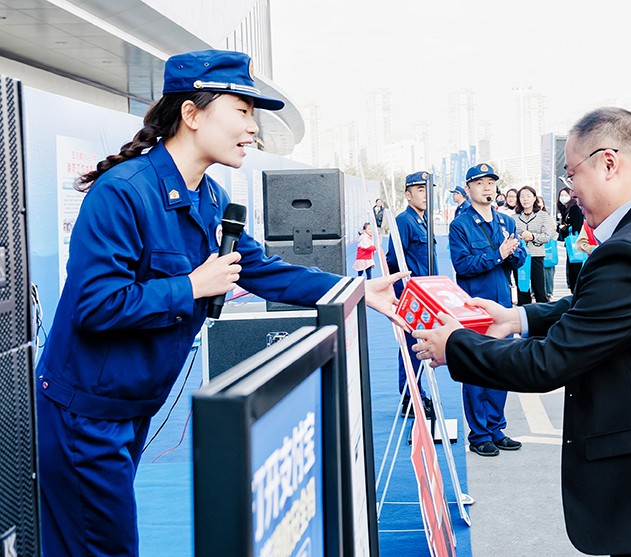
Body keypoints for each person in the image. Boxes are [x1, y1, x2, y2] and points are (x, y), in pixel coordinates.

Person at [34, 49, 407, 557]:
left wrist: (356, 290)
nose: (254, 129)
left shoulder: (208, 198)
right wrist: (191, 286)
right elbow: (96, 305)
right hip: (85, 413)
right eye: (243, 111)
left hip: (130, 405)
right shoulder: (122, 193)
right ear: (192, 113)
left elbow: (262, 271)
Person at [412, 107, 631, 556]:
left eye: (571, 174)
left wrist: (455, 344)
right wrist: (520, 318)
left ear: (608, 162)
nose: (570, 191)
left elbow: (547, 363)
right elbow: (607, 308)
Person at [449, 163, 526, 456]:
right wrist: (497, 255)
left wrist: (511, 254)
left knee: (500, 366)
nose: (487, 188)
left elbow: (517, 258)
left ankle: (496, 428)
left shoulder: (506, 221)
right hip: (474, 306)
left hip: (502, 306)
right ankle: (479, 433)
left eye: (491, 183)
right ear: (468, 189)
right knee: (475, 368)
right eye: (480, 183)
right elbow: (463, 265)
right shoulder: (461, 225)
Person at [387, 171, 437, 419]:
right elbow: (393, 260)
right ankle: (410, 397)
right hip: (411, 295)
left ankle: (418, 393)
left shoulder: (424, 220)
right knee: (410, 346)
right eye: (419, 190)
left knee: (422, 345)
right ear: (407, 195)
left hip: (428, 294)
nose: (425, 194)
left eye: (428, 189)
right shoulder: (403, 221)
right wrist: (404, 295)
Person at [513, 185, 552, 304]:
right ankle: (525, 316)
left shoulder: (543, 215)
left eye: (528, 196)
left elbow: (546, 237)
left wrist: (532, 236)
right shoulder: (514, 218)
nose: (525, 199)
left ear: (534, 198)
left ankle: (543, 317)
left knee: (539, 289)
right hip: (520, 257)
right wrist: (520, 238)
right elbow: (511, 236)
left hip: (536, 255)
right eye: (522, 196)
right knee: (522, 290)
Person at [555, 185, 584, 291]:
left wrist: (565, 228)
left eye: (565, 195)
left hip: (574, 240)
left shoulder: (574, 208)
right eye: (561, 195)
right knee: (571, 264)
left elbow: (577, 225)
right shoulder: (565, 209)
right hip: (569, 242)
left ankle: (576, 287)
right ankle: (572, 286)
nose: (562, 197)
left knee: (575, 264)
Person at [537, 195, 558, 298]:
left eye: (539, 202)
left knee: (548, 269)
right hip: (535, 248)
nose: (537, 204)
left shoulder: (547, 216)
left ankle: (549, 291)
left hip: (547, 246)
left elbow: (553, 231)